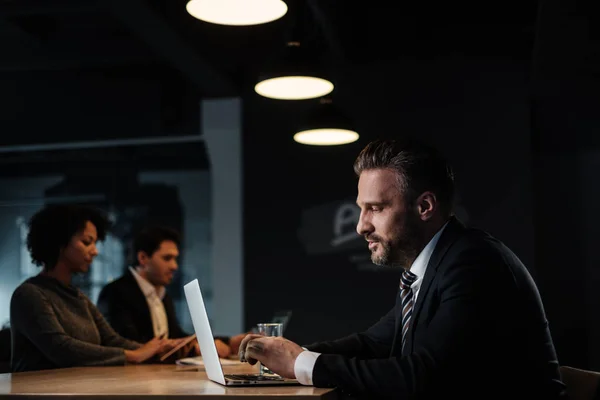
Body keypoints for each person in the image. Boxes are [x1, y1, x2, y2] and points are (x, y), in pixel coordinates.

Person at [239, 139, 567, 399]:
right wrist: (288, 355)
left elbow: (423, 378)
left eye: (375, 209)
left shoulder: (474, 263)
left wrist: (301, 363)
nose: (361, 227)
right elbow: (374, 344)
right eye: (361, 209)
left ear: (424, 206)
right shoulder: (431, 266)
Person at [10, 204, 179, 372]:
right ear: (59, 242)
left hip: (76, 389)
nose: (95, 251)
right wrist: (132, 355)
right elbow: (61, 348)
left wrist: (156, 350)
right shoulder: (30, 294)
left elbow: (112, 340)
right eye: (86, 242)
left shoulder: (78, 296)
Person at [97, 225, 245, 359]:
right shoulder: (114, 293)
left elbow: (178, 337)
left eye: (175, 259)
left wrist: (228, 341)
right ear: (143, 258)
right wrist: (196, 349)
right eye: (167, 258)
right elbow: (133, 346)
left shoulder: (162, 294)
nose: (174, 266)